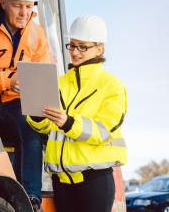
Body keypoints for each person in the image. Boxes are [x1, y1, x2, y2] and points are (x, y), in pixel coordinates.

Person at [26, 15, 127, 212]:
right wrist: (38, 115)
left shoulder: (112, 86)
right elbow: (48, 128)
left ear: (99, 48)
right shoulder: (59, 82)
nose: (75, 52)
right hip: (61, 181)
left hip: (94, 180)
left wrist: (69, 123)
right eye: (71, 46)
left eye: (82, 46)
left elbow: (104, 130)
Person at [0, 0, 51, 211]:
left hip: (15, 102)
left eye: (28, 6)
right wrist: (6, 81)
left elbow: (43, 76)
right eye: (18, 6)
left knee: (31, 131)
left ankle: (31, 198)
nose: (24, 13)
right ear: (3, 2)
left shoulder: (37, 35)